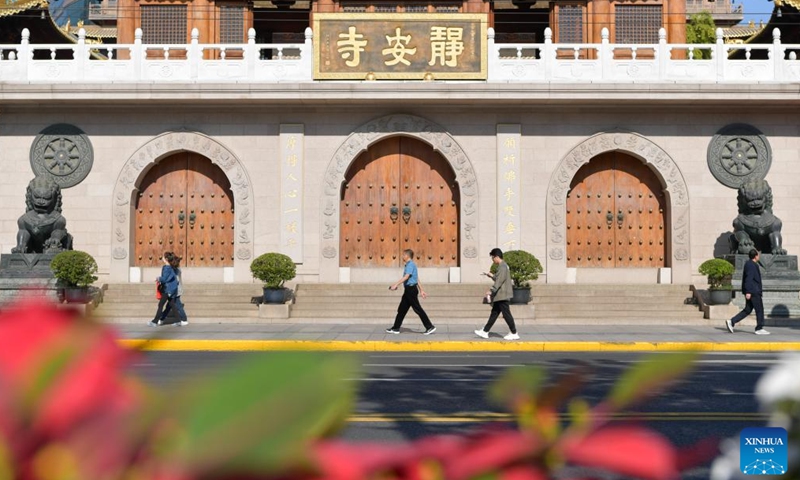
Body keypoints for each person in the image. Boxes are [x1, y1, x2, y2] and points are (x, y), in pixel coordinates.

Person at [386, 249, 436, 335]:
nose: (402, 256)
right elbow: (416, 278)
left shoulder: (410, 265)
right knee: (401, 309)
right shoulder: (411, 265)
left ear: (407, 256)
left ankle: (429, 326)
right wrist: (421, 290)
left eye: (403, 255)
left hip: (411, 290)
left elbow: (406, 277)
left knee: (418, 309)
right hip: (409, 290)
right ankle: (396, 328)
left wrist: (396, 284)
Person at [475, 248, 519, 340]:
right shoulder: (503, 266)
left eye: (492, 257)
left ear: (497, 256)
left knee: (506, 314)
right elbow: (499, 279)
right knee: (494, 313)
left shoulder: (502, 266)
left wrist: (491, 290)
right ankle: (485, 331)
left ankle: (514, 332)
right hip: (501, 295)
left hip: (502, 295)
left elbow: (499, 281)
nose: (492, 259)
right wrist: (492, 276)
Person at [726, 249, 768, 335]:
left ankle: (732, 321)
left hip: (752, 291)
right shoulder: (751, 265)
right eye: (758, 255)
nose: (759, 256)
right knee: (759, 309)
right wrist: (748, 291)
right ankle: (759, 328)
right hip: (754, 291)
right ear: (755, 256)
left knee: (747, 310)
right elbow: (748, 279)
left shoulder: (750, 264)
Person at [149, 251, 188, 327]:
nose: (162, 258)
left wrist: (158, 278)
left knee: (161, 305)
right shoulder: (172, 268)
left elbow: (165, 279)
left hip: (168, 289)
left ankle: (155, 321)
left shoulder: (167, 268)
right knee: (172, 305)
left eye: (163, 257)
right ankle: (177, 320)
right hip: (172, 289)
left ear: (166, 259)